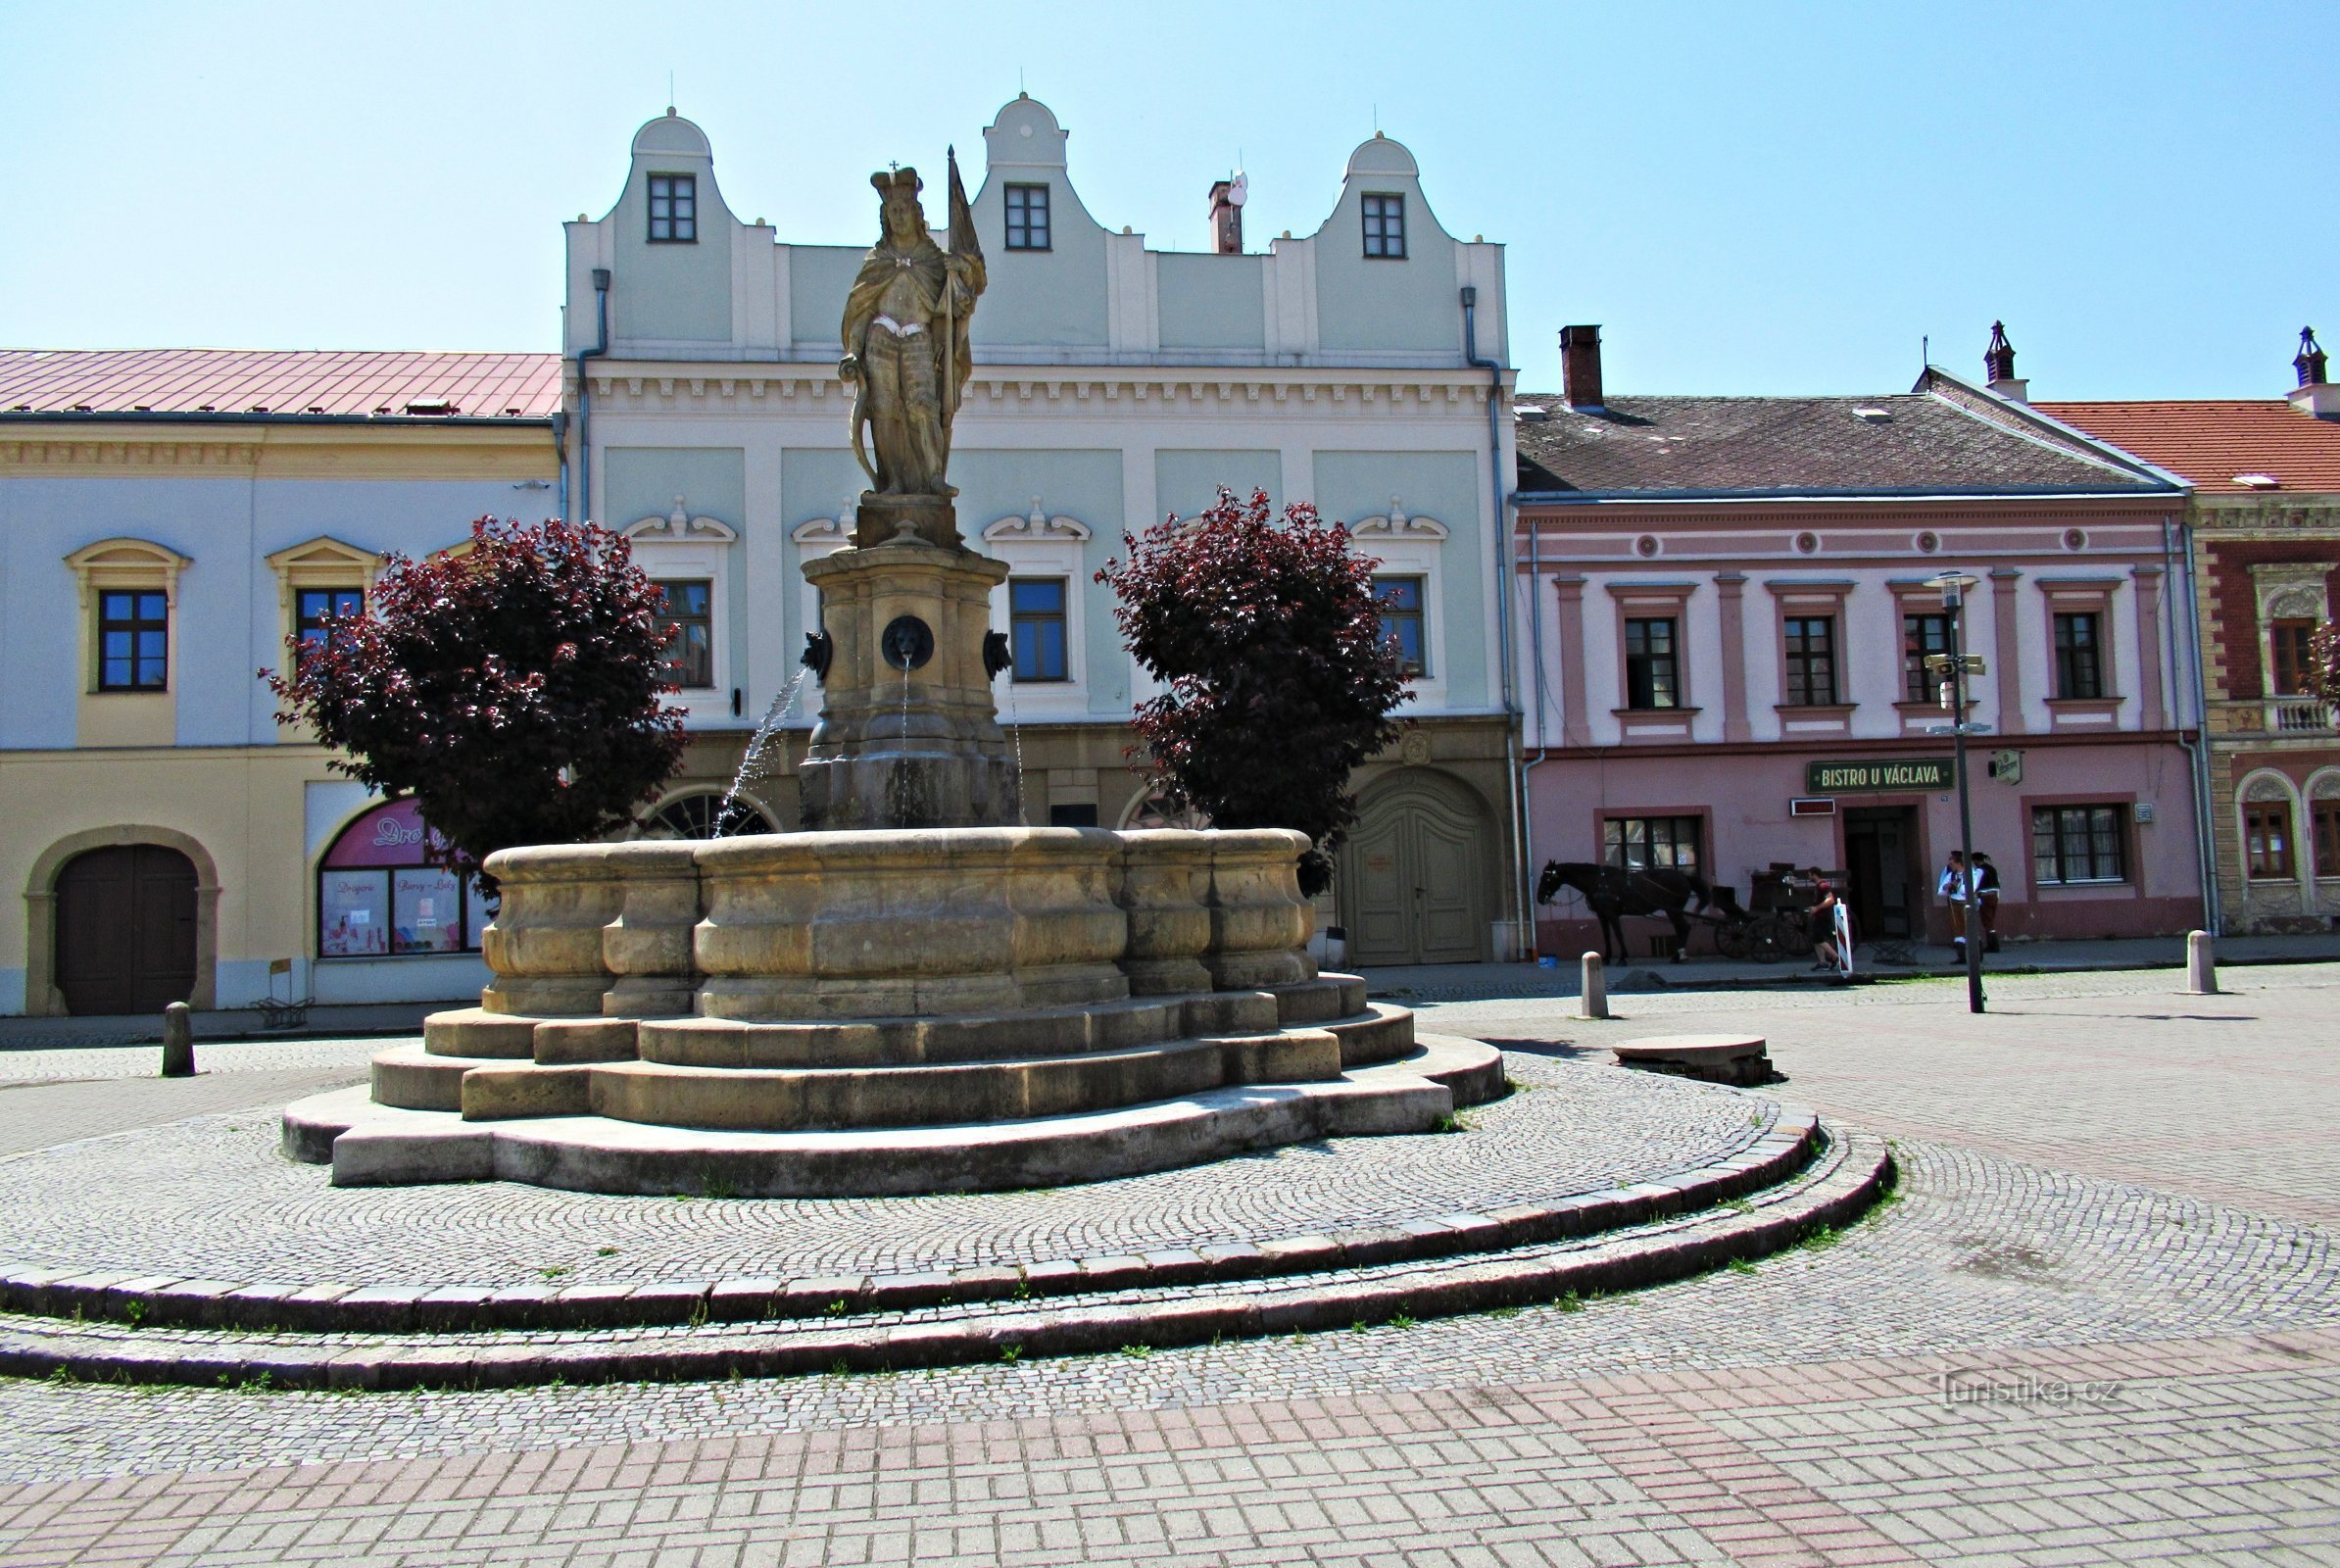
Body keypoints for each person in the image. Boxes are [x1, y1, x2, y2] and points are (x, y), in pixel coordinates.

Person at [1938, 851, 1974, 953]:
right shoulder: (1951, 875)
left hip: (1966, 903)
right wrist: (1948, 885)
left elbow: (1973, 887)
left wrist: (1959, 885)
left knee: (1969, 927)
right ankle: (1961, 954)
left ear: (1958, 863)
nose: (1950, 866)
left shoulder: (1970, 873)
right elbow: (1942, 888)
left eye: (1952, 864)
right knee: (1957, 928)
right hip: (1954, 902)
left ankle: (1975, 954)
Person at [1973, 853, 2002, 954]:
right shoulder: (1992, 869)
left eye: (1973, 861)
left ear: (1976, 861)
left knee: (1986, 921)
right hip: (1994, 896)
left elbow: (1975, 884)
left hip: (1985, 897)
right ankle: (1994, 944)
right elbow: (1998, 883)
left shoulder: (1980, 870)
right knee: (1990, 920)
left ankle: (1993, 945)